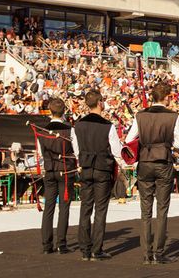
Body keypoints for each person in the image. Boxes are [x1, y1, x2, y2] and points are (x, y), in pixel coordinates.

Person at [125, 82, 179, 264]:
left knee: (145, 211)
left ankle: (146, 254)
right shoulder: (173, 116)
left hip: (145, 162)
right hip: (163, 162)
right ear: (166, 97)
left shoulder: (141, 115)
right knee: (162, 210)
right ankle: (158, 253)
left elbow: (129, 139)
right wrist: (170, 146)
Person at [72, 90, 126, 261]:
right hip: (102, 169)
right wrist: (123, 166)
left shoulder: (78, 125)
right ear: (100, 103)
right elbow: (117, 151)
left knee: (85, 208)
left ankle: (84, 249)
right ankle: (97, 249)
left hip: (86, 168)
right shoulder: (108, 125)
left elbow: (76, 150)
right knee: (100, 210)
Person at [37, 98, 76, 254]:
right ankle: (61, 243)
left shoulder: (42, 130)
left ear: (50, 111)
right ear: (64, 111)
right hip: (65, 171)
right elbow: (76, 151)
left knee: (49, 208)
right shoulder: (70, 130)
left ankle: (47, 245)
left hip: (50, 170)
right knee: (64, 208)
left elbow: (40, 153)